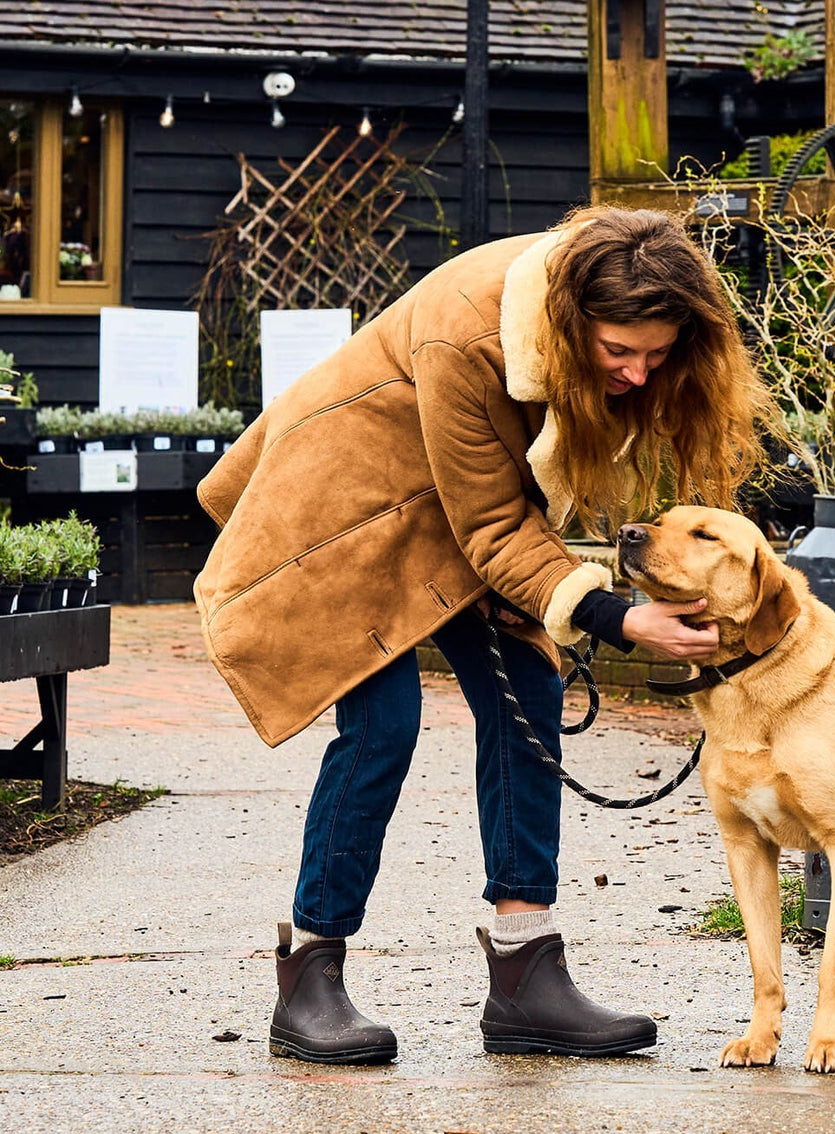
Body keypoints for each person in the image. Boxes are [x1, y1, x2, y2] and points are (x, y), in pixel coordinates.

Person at [193, 205, 779, 1065]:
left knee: (529, 696)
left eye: (655, 354)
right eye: (619, 351)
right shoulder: (467, 335)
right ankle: (310, 972)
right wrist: (616, 616)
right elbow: (494, 528)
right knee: (382, 725)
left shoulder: (603, 338)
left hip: (448, 510)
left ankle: (525, 974)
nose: (637, 372)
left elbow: (504, 504)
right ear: (574, 318)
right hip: (337, 515)